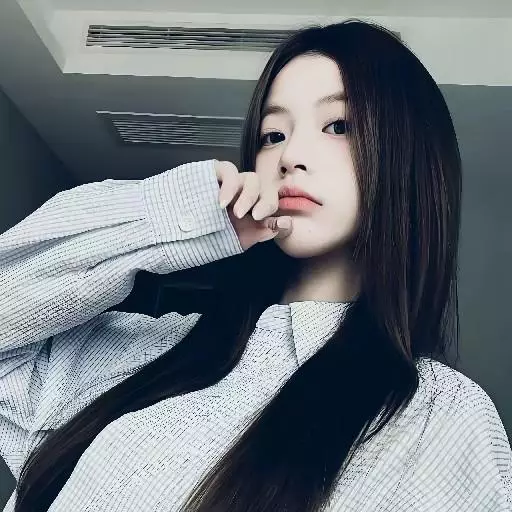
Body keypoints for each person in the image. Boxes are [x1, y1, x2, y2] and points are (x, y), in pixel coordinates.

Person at [0, 18, 510, 512]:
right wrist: (182, 216)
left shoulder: (440, 419)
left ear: (407, 157)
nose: (290, 157)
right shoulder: (153, 351)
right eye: (273, 135)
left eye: (338, 125)